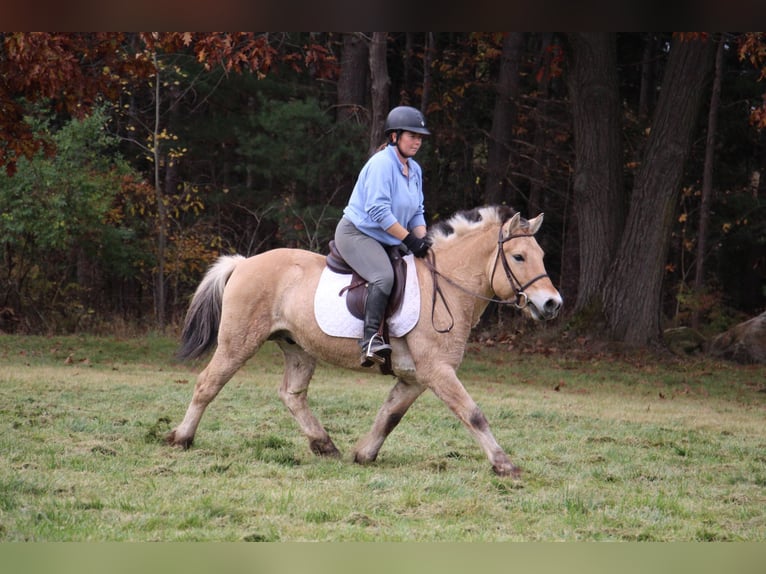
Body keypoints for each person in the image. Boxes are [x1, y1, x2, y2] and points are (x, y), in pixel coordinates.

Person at [334, 105, 432, 367]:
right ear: (394, 136)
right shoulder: (381, 164)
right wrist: (410, 240)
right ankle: (370, 341)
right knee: (384, 276)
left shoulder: (415, 170)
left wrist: (424, 239)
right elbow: (378, 211)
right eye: (412, 135)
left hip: (387, 238)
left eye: (420, 137)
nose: (417, 141)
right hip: (357, 233)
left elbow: (416, 212)